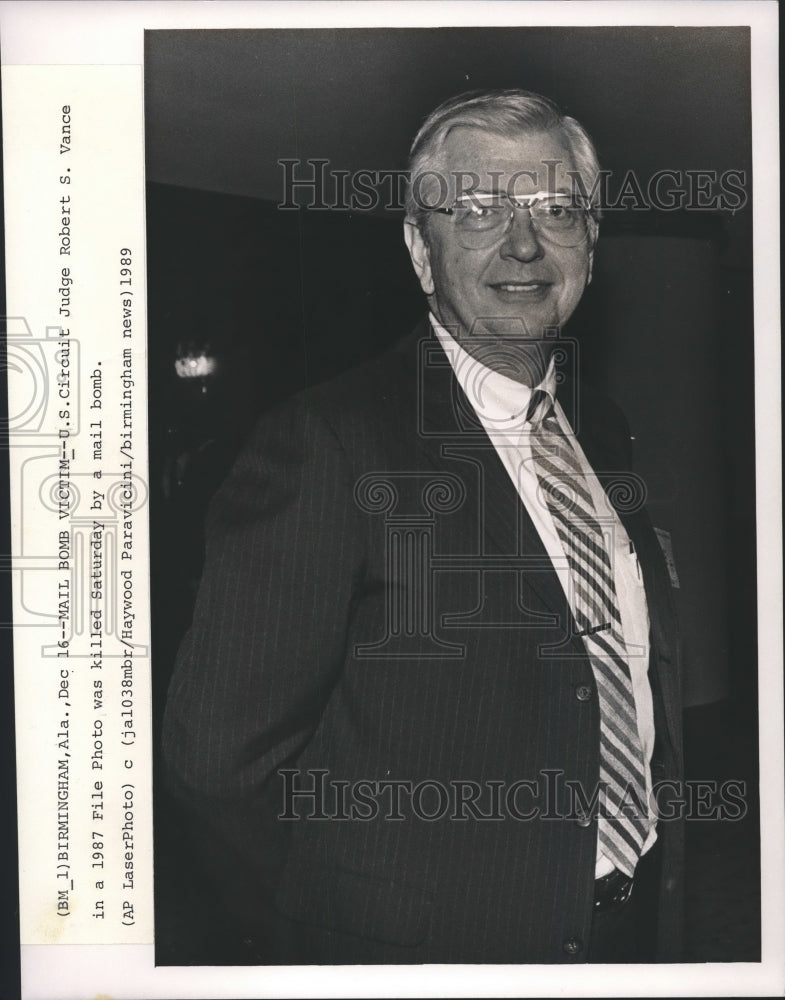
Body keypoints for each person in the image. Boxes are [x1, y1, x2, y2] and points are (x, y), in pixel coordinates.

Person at [162, 89, 684, 964]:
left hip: (625, 934)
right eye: (477, 211)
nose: (523, 244)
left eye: (556, 210)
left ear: (591, 244)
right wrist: (336, 935)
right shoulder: (327, 442)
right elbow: (214, 766)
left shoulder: (603, 429)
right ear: (418, 248)